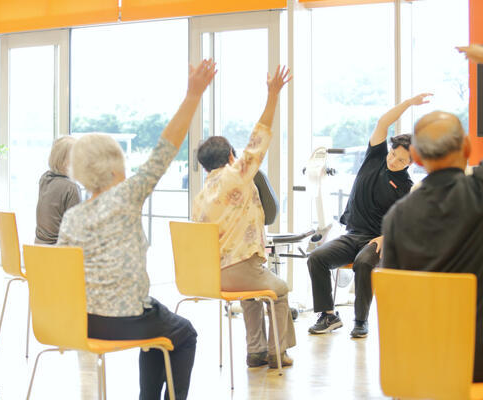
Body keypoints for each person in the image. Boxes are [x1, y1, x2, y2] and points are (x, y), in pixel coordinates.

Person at [57, 60, 217, 400]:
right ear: (116, 166)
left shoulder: (72, 217)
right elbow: (166, 147)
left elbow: (61, 275)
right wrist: (192, 95)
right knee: (183, 332)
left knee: (158, 318)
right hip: (125, 320)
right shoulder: (127, 197)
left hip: (82, 322)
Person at [192, 66, 296, 369]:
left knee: (251, 295)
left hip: (215, 276)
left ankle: (255, 351)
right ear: (230, 157)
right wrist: (273, 94)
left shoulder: (200, 198)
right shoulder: (237, 174)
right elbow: (260, 135)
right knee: (280, 290)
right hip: (244, 267)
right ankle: (278, 352)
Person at [306, 93, 432, 338]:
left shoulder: (406, 186)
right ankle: (328, 315)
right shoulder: (375, 157)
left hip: (376, 239)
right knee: (317, 258)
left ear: (411, 163)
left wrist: (386, 239)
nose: (394, 160)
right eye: (393, 154)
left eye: (401, 160)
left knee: (364, 263)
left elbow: (405, 223)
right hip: (352, 234)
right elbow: (383, 123)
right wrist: (407, 104)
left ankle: (360, 321)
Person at [382, 110, 483, 382]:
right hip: (478, 363)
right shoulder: (479, 191)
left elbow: (394, 298)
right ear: (467, 147)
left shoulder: (396, 218)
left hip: (422, 367)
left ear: (414, 157)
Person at [35, 135, 81, 244]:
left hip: (38, 250)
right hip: (60, 253)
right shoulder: (71, 188)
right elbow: (76, 229)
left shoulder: (44, 179)